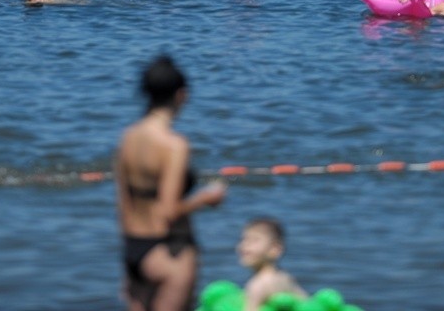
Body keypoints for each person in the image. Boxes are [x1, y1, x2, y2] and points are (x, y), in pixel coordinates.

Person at [115, 55, 227, 311]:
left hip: (134, 249)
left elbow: (123, 204)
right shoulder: (174, 145)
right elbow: (168, 211)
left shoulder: (128, 137)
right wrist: (206, 198)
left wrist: (131, 263)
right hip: (168, 251)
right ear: (181, 95)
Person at [237, 217, 307, 311]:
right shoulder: (284, 278)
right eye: (244, 239)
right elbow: (306, 302)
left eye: (254, 240)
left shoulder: (257, 285)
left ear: (275, 249)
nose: (245, 245)